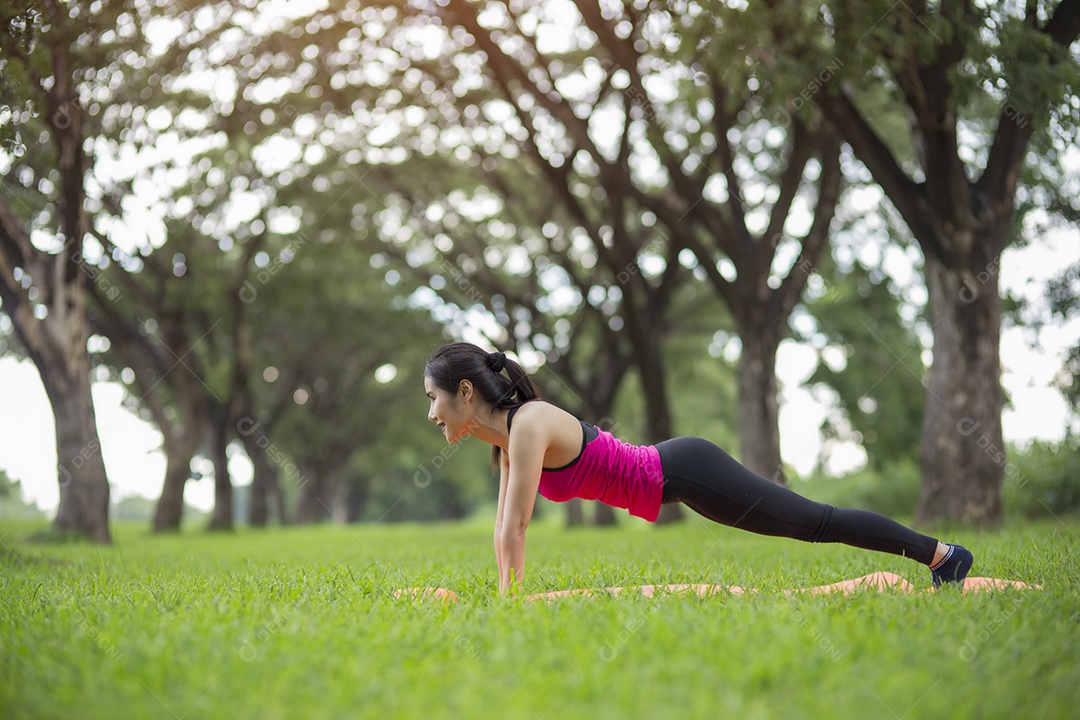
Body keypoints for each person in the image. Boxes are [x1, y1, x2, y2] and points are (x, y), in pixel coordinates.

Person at [423, 342, 973, 597]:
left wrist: (510, 605)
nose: (430, 413)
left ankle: (944, 556)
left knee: (815, 522)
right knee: (812, 524)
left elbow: (517, 526)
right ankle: (940, 558)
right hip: (676, 483)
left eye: (433, 397)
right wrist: (507, 598)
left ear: (465, 392)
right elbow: (503, 527)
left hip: (683, 469)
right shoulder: (504, 445)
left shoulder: (531, 423)